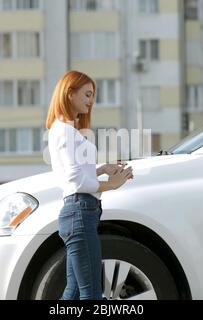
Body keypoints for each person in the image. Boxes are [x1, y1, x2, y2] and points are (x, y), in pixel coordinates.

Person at [46, 70, 133, 300]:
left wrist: (103, 170)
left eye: (92, 95)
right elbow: (76, 181)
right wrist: (111, 185)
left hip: (79, 212)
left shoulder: (64, 130)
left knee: (74, 292)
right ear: (69, 93)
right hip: (80, 212)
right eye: (86, 94)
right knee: (91, 293)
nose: (91, 100)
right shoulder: (64, 131)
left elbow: (75, 174)